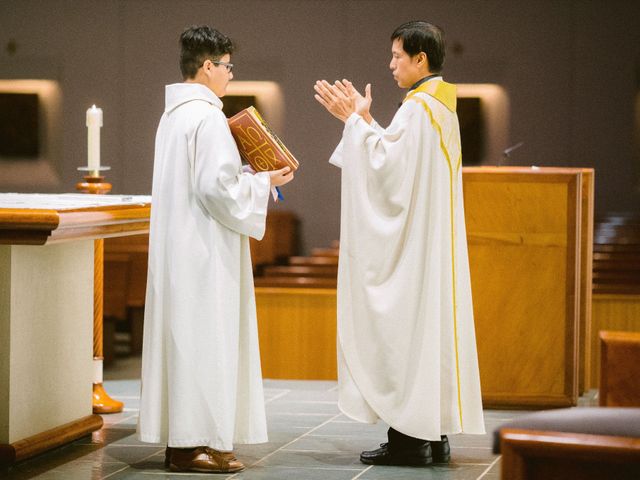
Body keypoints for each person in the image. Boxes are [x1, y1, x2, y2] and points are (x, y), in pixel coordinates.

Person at [313, 20, 485, 467]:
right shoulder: (437, 107)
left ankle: (410, 442)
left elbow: (387, 173)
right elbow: (400, 159)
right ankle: (433, 434)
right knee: (427, 333)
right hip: (430, 243)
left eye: (396, 56)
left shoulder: (420, 109)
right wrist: (367, 121)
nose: (390, 64)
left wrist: (352, 122)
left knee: (408, 330)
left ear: (420, 59)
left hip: (414, 250)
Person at [137, 25, 294, 473]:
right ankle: (191, 446)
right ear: (207, 66)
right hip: (203, 253)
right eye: (227, 67)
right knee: (205, 341)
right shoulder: (206, 117)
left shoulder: (173, 116)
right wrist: (264, 181)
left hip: (182, 248)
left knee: (191, 342)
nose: (230, 75)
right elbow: (215, 189)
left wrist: (247, 176)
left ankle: (196, 439)